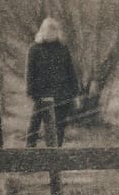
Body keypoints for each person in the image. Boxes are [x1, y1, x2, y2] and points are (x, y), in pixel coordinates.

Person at [24, 17, 80, 146]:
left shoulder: (63, 49)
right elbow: (29, 72)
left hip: (61, 94)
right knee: (34, 126)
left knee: (59, 126)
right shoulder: (35, 49)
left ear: (57, 32)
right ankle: (28, 153)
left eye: (54, 30)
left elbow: (70, 71)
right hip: (41, 94)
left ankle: (55, 153)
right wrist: (31, 92)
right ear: (42, 31)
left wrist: (74, 92)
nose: (51, 33)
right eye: (48, 30)